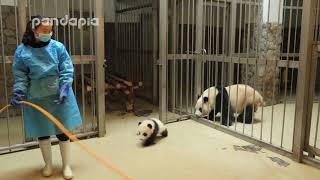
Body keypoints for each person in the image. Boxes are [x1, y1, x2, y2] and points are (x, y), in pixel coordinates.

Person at [10, 15, 82, 180]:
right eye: (44, 31)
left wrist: (65, 87)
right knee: (42, 132)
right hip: (37, 96)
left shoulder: (57, 47)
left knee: (63, 132)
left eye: (50, 30)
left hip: (59, 95)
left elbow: (66, 69)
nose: (48, 33)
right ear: (33, 30)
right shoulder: (22, 51)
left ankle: (66, 166)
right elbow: (20, 75)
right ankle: (48, 165)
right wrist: (19, 92)